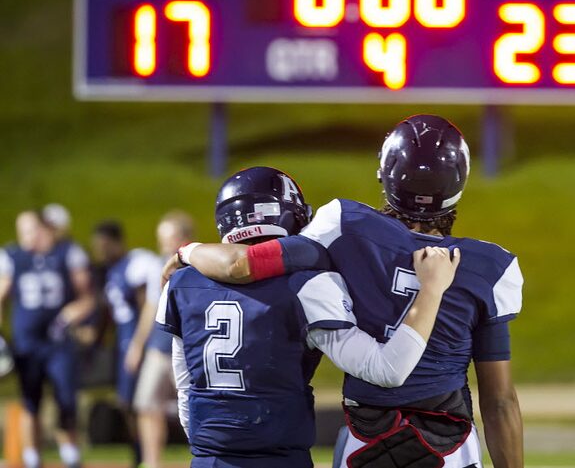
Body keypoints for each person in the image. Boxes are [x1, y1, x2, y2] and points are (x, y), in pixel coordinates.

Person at [163, 115, 525, 468]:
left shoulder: (343, 225)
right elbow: (500, 402)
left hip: (364, 441)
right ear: (460, 180)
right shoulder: (488, 266)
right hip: (448, 447)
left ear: (385, 172)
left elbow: (245, 263)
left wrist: (186, 252)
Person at [157, 166, 459, 467]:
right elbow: (386, 369)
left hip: (208, 459)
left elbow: (185, 387)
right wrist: (430, 291)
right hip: (280, 459)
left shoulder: (180, 284)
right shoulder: (309, 284)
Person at [0, 211, 95, 468]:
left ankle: (71, 456)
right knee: (30, 402)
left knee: (66, 399)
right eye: (23, 231)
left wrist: (71, 314)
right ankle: (32, 459)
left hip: (58, 341)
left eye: (32, 229)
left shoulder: (67, 253)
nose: (27, 236)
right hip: (26, 343)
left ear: (45, 229)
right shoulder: (12, 256)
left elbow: (88, 297)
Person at [91, 221, 162, 468]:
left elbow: (146, 306)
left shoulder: (134, 265)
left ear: (118, 242)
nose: (102, 250)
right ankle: (138, 453)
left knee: (140, 402)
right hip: (122, 341)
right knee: (126, 401)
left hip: (135, 341)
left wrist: (138, 344)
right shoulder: (110, 271)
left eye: (106, 245)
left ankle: (143, 455)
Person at [130, 211, 195, 468]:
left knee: (196, 409)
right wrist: (137, 345)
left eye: (170, 238)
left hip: (186, 350)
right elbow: (150, 307)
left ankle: (205, 458)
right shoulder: (157, 266)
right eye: (162, 239)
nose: (164, 245)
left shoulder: (198, 265)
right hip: (158, 348)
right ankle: (151, 462)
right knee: (146, 406)